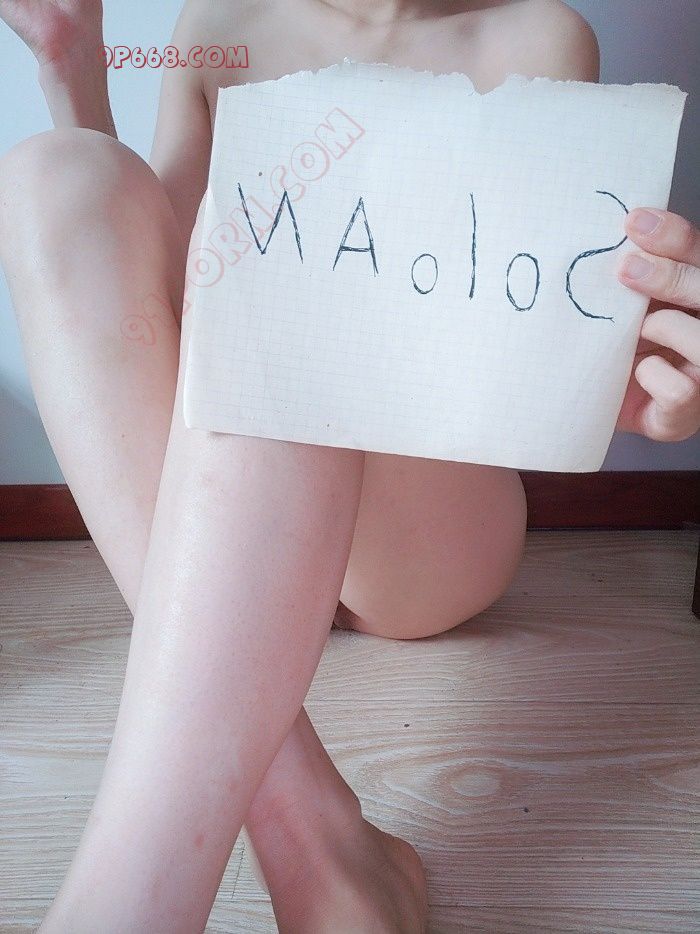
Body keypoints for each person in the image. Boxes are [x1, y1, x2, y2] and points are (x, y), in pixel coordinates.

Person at [0, 0, 698, 930]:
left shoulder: (538, 37)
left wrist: (627, 369)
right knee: (60, 176)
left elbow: (524, 326)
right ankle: (323, 851)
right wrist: (74, 69)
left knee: (292, 277)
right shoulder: (220, 20)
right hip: (242, 508)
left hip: (422, 526)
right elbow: (158, 281)